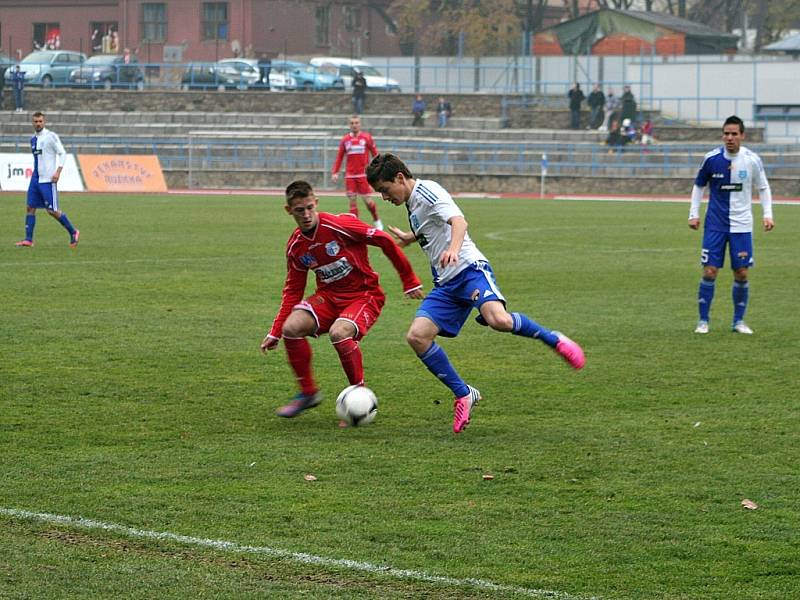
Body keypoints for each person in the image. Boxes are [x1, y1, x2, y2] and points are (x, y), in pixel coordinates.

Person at [365, 153, 585, 434]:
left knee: (499, 321)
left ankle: (554, 339)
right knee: (417, 337)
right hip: (446, 283)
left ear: (399, 178)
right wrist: (411, 237)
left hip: (469, 270)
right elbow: (432, 226)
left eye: (384, 190)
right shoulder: (413, 203)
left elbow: (458, 222)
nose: (384, 197)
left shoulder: (428, 190)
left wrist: (454, 248)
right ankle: (464, 394)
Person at [260, 180, 423, 419]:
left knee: (340, 332)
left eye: (309, 208)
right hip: (329, 298)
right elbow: (293, 291)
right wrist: (275, 332)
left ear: (316, 203)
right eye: (299, 210)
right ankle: (308, 393)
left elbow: (384, 240)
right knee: (291, 328)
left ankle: (359, 395)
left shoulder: (338, 225)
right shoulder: (296, 246)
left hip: (364, 295)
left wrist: (409, 279)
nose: (306, 215)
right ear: (289, 211)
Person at [689, 115, 773, 335]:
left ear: (742, 136)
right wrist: (693, 214)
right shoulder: (711, 159)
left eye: (734, 134)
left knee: (742, 273)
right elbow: (699, 186)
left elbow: (763, 188)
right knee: (710, 271)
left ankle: (738, 322)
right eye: (726, 133)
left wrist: (768, 214)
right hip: (715, 225)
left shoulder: (752, 160)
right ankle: (703, 321)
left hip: (742, 226)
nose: (729, 137)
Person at [15, 112, 80, 248]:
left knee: (52, 211)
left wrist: (58, 172)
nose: (38, 124)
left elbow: (62, 153)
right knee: (30, 207)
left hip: (47, 180)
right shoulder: (33, 139)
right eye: (35, 121)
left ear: (44, 122)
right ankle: (28, 239)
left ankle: (73, 232)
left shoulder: (51, 137)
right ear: (32, 123)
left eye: (40, 121)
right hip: (35, 179)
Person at [331, 115, 383, 230]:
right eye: (352, 123)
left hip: (363, 175)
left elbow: (375, 154)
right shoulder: (345, 140)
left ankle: (377, 220)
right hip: (350, 176)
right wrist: (335, 172)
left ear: (360, 124)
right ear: (349, 125)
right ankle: (356, 227)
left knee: (368, 201)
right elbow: (339, 157)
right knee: (352, 202)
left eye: (356, 123)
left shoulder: (366, 138)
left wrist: (379, 168)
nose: (354, 125)